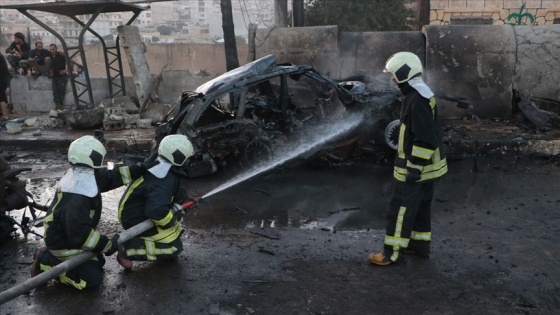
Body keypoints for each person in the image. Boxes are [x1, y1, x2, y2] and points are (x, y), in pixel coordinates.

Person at [30, 136, 158, 291]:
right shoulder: (78, 196)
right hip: (63, 244)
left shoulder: (81, 175)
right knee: (91, 281)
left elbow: (113, 177)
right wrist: (107, 244)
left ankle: (65, 261)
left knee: (98, 262)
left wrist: (141, 168)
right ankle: (46, 261)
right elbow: (80, 234)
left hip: (71, 239)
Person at [368, 52, 448, 266]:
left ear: (404, 74)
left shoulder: (417, 100)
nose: (392, 80)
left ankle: (391, 253)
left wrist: (414, 167)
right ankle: (419, 246)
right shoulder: (419, 93)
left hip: (416, 168)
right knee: (420, 208)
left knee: (399, 209)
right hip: (429, 168)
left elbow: (425, 137)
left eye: (394, 75)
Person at [116, 134, 197, 269]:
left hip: (138, 211)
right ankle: (127, 249)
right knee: (174, 248)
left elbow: (169, 193)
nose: (189, 161)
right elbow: (157, 211)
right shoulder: (162, 179)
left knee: (174, 232)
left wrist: (184, 199)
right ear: (180, 158)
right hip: (136, 220)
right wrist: (171, 220)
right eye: (188, 158)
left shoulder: (160, 164)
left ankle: (146, 241)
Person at [48, 44, 68, 111]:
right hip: (55, 77)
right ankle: (57, 105)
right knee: (55, 91)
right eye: (50, 49)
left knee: (61, 91)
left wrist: (65, 70)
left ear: (56, 49)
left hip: (62, 77)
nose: (52, 51)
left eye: (53, 49)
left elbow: (70, 62)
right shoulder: (50, 56)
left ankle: (60, 105)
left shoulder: (61, 55)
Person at [0, 53, 10, 122]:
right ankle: (4, 113)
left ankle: (5, 115)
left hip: (1, 79)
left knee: (1, 98)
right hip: (3, 79)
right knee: (2, 97)